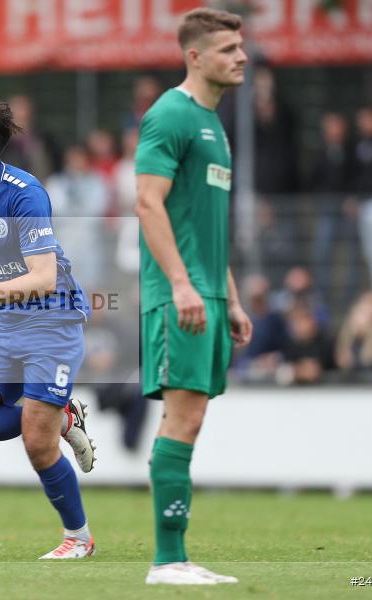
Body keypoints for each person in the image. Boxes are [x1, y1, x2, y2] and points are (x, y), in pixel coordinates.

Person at [0, 97, 96, 560]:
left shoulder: (25, 192)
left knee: (36, 440)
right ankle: (60, 414)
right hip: (7, 321)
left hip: (54, 321)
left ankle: (79, 538)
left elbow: (45, 278)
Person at [134, 8, 253, 585]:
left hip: (206, 294)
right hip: (176, 294)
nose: (242, 57)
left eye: (241, 47)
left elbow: (207, 225)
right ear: (196, 57)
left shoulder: (213, 124)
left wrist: (229, 297)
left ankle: (176, 557)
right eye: (229, 48)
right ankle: (167, 560)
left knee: (193, 417)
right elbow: (148, 204)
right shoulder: (170, 116)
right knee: (181, 419)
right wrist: (181, 284)